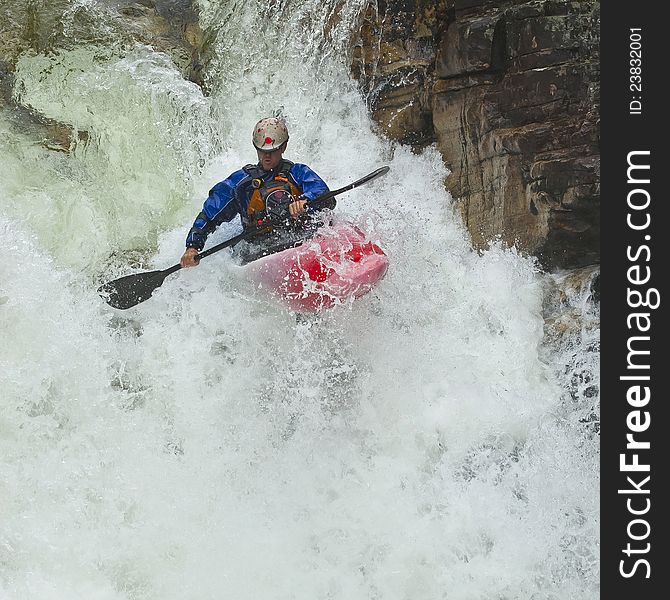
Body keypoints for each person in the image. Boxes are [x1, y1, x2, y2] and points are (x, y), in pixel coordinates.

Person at [180, 117, 332, 267]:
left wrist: (306, 200)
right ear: (256, 148)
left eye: (273, 151)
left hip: (301, 241)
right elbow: (209, 214)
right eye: (262, 150)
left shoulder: (298, 172)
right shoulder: (240, 183)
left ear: (284, 147)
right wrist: (193, 246)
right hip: (260, 251)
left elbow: (325, 195)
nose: (267, 156)